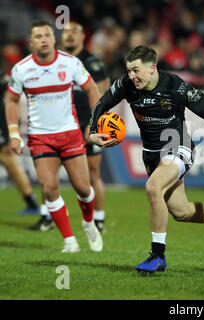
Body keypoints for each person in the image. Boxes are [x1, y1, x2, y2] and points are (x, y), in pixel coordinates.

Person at [88, 45, 204, 273]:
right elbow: (101, 104)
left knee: (153, 187)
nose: (132, 76)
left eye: (136, 70)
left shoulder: (175, 87)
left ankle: (158, 256)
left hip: (178, 148)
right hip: (151, 154)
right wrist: (92, 133)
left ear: (152, 68)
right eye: (129, 70)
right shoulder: (126, 85)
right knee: (182, 212)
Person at [6, 20, 103, 253]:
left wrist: (95, 123)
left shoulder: (70, 63)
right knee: (49, 188)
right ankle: (69, 240)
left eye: (47, 35)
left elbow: (92, 89)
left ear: (53, 39)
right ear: (31, 43)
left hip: (70, 135)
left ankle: (88, 222)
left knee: (83, 188)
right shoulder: (21, 69)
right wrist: (14, 133)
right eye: (38, 36)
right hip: (40, 137)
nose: (44, 39)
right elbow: (11, 100)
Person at [60, 21, 111, 233]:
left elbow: (105, 94)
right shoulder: (58, 61)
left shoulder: (92, 62)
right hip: (63, 124)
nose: (69, 36)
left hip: (87, 124)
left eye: (74, 32)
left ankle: (98, 219)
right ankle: (47, 216)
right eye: (66, 32)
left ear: (83, 37)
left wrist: (94, 123)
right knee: (50, 172)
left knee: (92, 174)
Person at [0, 69, 43, 217]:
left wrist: (12, 128)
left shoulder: (3, 79)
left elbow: (11, 99)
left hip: (2, 124)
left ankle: (31, 201)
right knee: (9, 163)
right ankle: (30, 201)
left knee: (9, 161)